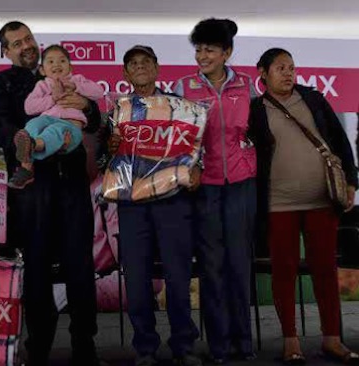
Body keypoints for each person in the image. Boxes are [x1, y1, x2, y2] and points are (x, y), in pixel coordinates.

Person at [0, 21, 101, 365]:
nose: (26, 46)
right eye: (17, 43)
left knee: (81, 265)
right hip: (32, 188)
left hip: (73, 186)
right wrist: (38, 145)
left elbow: (93, 120)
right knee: (35, 268)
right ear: (6, 51)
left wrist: (87, 106)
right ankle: (38, 347)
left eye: (28, 39)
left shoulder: (63, 73)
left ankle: (85, 346)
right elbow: (0, 128)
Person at [248, 48, 359, 365]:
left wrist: (350, 182)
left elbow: (339, 141)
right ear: (263, 73)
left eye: (292, 67)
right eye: (280, 67)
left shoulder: (313, 100)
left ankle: (333, 340)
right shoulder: (255, 110)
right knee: (285, 273)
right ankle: (290, 342)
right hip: (278, 205)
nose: (288, 73)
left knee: (325, 270)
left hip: (321, 201)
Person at [108, 45, 202, 366]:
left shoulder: (179, 107)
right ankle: (145, 347)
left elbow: (193, 147)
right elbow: (109, 158)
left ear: (157, 68)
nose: (140, 67)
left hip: (171, 201)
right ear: (125, 73)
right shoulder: (117, 110)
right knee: (136, 277)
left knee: (178, 275)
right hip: (132, 202)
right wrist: (111, 146)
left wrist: (196, 167)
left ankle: (183, 345)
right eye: (133, 64)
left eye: (145, 62)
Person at [174, 18, 257, 364]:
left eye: (209, 49)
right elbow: (176, 138)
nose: (202, 55)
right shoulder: (183, 86)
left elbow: (258, 130)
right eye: (198, 49)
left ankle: (244, 343)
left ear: (227, 52)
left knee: (240, 263)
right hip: (204, 186)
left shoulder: (248, 86)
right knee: (212, 266)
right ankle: (220, 346)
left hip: (241, 184)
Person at [8, 44, 104, 189]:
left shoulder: (77, 80)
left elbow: (99, 92)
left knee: (54, 131)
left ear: (70, 67)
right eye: (51, 61)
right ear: (42, 69)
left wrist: (76, 87)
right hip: (47, 120)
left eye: (62, 61)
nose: (57, 64)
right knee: (33, 125)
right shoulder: (42, 85)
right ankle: (26, 167)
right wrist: (53, 98)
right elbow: (29, 107)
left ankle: (35, 145)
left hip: (70, 126)